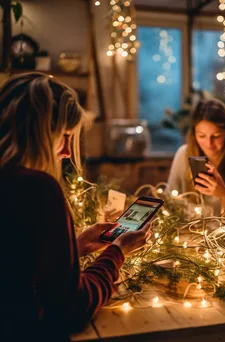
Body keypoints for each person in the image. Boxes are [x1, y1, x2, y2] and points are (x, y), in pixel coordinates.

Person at [0, 72, 150, 341]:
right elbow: (72, 307)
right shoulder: (37, 187)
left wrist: (75, 247)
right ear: (39, 132)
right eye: (64, 136)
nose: (68, 151)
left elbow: (16, 269)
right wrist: (117, 252)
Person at [168, 98, 225, 218]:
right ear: (194, 133)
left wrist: (224, 195)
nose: (209, 143)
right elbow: (169, 202)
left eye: (216, 136)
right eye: (202, 136)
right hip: (186, 231)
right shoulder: (183, 154)